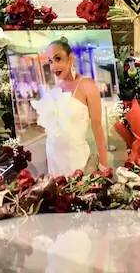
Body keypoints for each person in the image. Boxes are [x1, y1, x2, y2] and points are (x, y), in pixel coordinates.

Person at [31, 39, 108, 175]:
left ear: (70, 58)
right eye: (50, 61)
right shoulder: (55, 90)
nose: (54, 67)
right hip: (54, 158)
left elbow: (97, 125)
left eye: (58, 58)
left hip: (77, 160)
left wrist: (104, 164)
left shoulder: (87, 86)